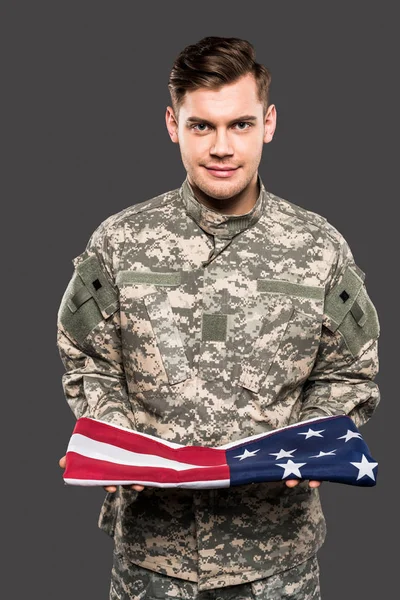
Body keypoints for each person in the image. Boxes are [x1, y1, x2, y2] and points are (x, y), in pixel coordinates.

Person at [57, 36, 381, 600]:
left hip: (277, 561)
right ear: (171, 123)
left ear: (269, 122)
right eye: (202, 126)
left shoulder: (319, 247)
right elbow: (88, 359)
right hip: (151, 562)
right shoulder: (120, 242)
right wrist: (114, 436)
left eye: (241, 125)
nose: (222, 147)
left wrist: (314, 438)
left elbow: (351, 371)